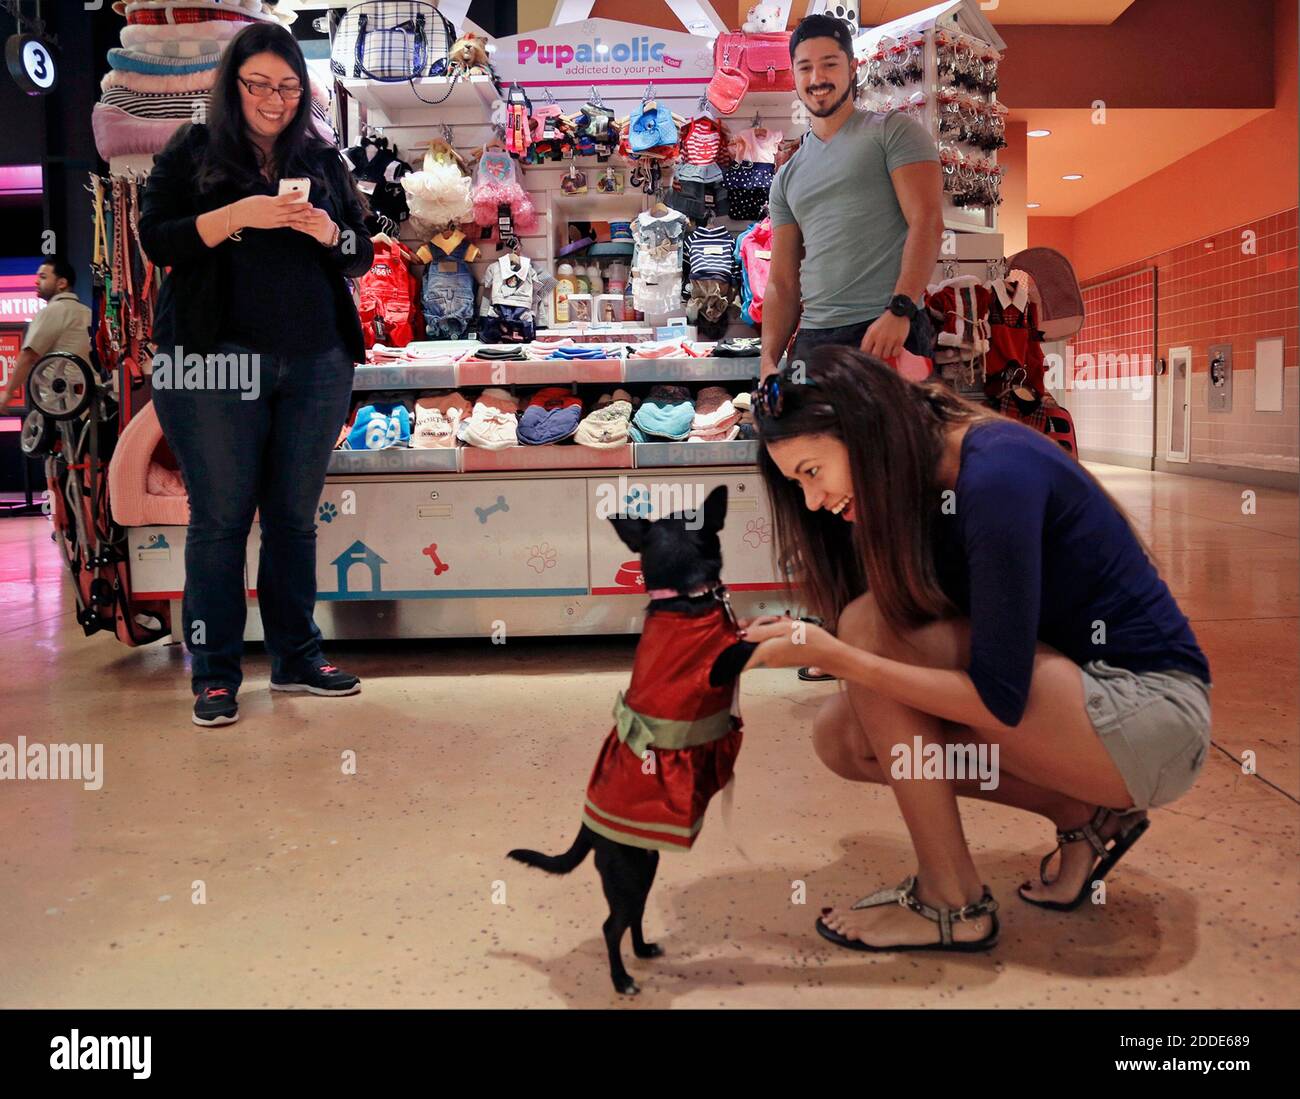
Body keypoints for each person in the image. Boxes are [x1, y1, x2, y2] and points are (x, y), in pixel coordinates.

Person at [741, 348, 1213, 952]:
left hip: (1152, 715)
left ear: (863, 429)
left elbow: (998, 698)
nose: (813, 500)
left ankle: (950, 900)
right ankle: (1082, 815)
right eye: (797, 483)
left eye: (812, 471)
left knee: (867, 628)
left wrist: (840, 657)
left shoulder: (994, 473)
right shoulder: (931, 471)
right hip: (1086, 702)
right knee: (847, 740)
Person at [139, 23, 373, 728]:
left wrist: (328, 232)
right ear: (232, 85)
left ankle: (297, 656)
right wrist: (238, 214)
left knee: (294, 521)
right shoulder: (192, 151)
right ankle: (213, 675)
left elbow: (360, 252)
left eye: (289, 86)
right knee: (219, 521)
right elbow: (157, 239)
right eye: (260, 84)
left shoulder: (321, 157)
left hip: (314, 361)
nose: (276, 99)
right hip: (213, 363)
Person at [762, 13, 945, 382]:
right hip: (814, 340)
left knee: (890, 441)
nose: (817, 79)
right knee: (804, 439)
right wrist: (768, 360)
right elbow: (782, 281)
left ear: (852, 66)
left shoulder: (893, 133)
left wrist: (901, 310)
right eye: (805, 67)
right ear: (794, 77)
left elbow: (926, 221)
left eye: (829, 64)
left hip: (886, 328)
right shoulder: (786, 177)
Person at [2, 259, 92, 410]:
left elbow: (28, 356)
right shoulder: (87, 311)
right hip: (89, 403)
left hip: (63, 406)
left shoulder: (53, 310)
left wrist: (8, 394)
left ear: (61, 283)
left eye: (43, 277)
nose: (37, 281)